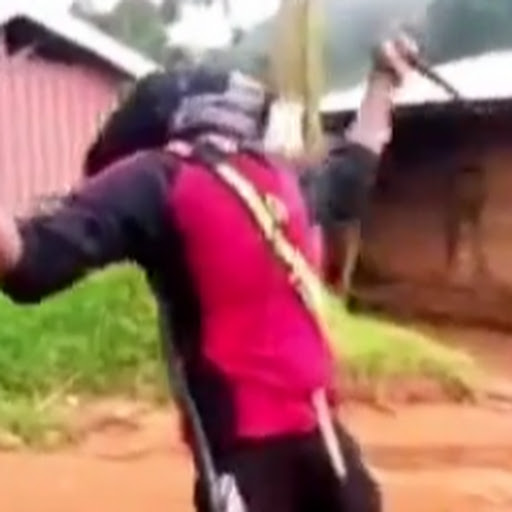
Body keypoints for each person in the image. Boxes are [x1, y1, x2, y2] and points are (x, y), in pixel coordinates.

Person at [0, 36, 417, 512]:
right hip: (328, 447)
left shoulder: (158, 178)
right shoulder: (282, 182)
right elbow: (354, 167)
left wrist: (383, 80)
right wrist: (383, 80)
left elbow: (29, 257)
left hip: (250, 460)